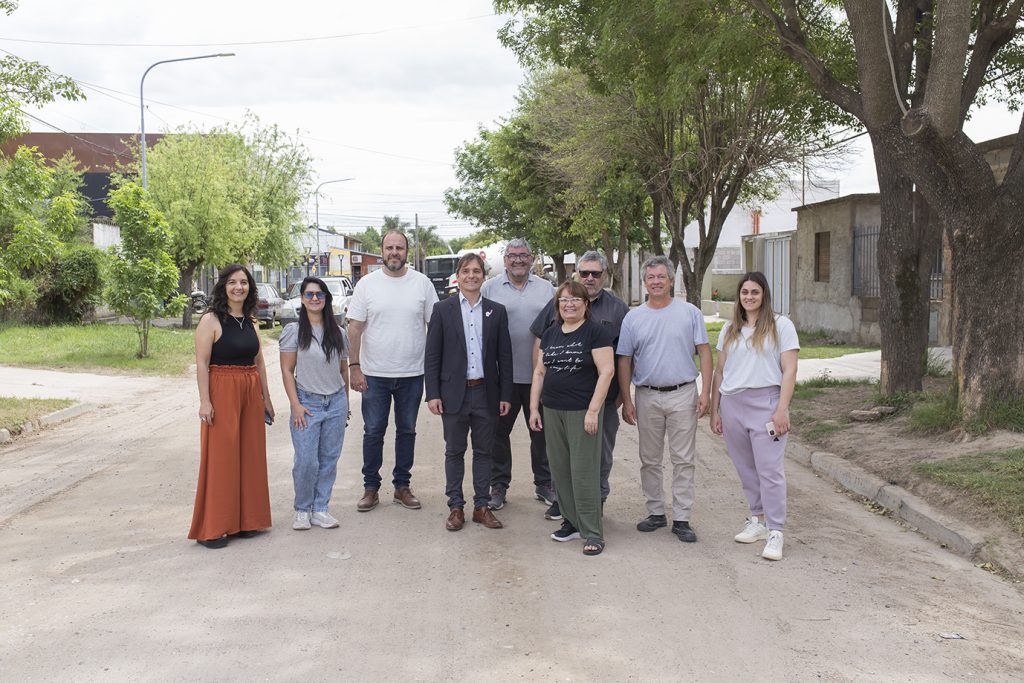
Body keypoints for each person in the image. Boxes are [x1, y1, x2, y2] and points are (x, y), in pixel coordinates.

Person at [617, 256, 712, 543]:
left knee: (683, 459)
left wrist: (705, 391)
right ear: (645, 282)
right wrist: (627, 398)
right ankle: (656, 512)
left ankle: (682, 518)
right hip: (647, 395)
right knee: (650, 459)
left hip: (683, 393)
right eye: (651, 277)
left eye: (661, 276)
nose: (656, 282)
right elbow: (624, 360)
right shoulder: (633, 317)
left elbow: (705, 352)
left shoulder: (690, 313)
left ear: (671, 280)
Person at [347, 230, 438, 512]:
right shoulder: (367, 284)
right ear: (382, 250)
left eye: (399, 248)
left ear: (406, 252)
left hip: (412, 373)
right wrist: (354, 366)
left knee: (407, 431)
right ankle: (371, 487)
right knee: (373, 431)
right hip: (374, 374)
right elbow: (354, 328)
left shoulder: (422, 284)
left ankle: (402, 486)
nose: (394, 252)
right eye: (389, 247)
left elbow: (435, 329)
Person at [711, 272, 799, 561]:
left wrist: (782, 408)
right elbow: (720, 372)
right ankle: (757, 521)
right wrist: (716, 408)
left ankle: (775, 531)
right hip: (733, 404)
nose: (749, 297)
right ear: (738, 296)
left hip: (766, 404)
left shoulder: (780, 326)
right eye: (744, 292)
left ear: (764, 295)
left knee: (769, 470)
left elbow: (789, 370)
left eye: (755, 292)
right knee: (746, 468)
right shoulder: (730, 329)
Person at [530, 251, 628, 504]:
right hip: (562, 401)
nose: (589, 278)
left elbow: (627, 355)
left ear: (605, 276)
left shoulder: (618, 309)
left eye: (596, 273)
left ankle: (596, 502)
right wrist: (542, 389)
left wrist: (623, 396)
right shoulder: (560, 302)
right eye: (584, 272)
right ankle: (565, 504)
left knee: (600, 455)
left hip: (602, 401)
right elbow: (540, 344)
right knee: (562, 455)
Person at [425, 253, 513, 531]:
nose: (472, 275)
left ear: (483, 276)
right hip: (453, 394)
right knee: (454, 451)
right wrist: (433, 393)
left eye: (477, 271)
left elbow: (505, 357)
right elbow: (432, 356)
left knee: (484, 452)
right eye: (466, 271)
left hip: (486, 393)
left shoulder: (496, 311)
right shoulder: (443, 309)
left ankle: (482, 506)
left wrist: (506, 395)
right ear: (458, 276)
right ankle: (456, 507)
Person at [188, 264, 274, 549]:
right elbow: (201, 363)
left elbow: (259, 361)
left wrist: (267, 398)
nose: (239, 287)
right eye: (233, 282)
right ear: (223, 286)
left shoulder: (250, 321)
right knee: (222, 457)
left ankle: (248, 520)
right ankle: (213, 527)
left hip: (249, 390)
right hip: (222, 388)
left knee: (250, 455)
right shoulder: (211, 320)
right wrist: (204, 400)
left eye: (244, 282)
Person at [529, 281, 615, 556]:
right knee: (561, 470)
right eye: (564, 300)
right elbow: (540, 373)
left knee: (584, 472)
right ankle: (571, 522)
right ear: (558, 305)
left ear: (585, 304)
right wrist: (533, 408)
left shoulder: (595, 332)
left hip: (582, 412)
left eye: (575, 300)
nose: (569, 304)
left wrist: (593, 411)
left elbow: (607, 372)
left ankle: (593, 531)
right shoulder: (552, 333)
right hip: (552, 410)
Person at [479, 238, 558, 517]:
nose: (518, 260)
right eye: (513, 256)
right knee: (498, 434)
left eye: (523, 255)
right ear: (505, 259)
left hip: (540, 374)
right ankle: (498, 485)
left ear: (531, 258)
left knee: (541, 432)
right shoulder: (489, 288)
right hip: (503, 377)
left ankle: (545, 483)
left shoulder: (547, 289)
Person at [280, 277, 350, 531]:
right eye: (309, 295)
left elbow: (344, 370)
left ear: (326, 299)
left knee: (329, 458)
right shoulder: (293, 332)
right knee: (306, 460)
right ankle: (302, 509)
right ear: (301, 298)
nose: (314, 299)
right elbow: (287, 371)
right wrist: (295, 405)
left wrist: (346, 405)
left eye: (319, 295)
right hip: (307, 403)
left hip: (336, 402)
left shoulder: (338, 333)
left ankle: (320, 508)